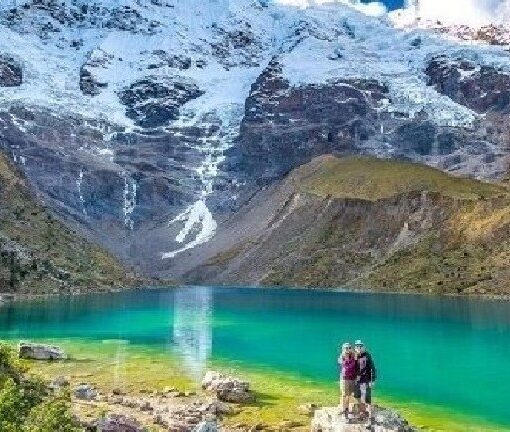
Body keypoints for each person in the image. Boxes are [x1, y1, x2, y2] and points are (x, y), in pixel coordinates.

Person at [354, 340, 377, 429]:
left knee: (367, 399)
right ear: (355, 347)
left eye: (360, 346)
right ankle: (362, 413)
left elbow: (373, 368)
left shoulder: (367, 355)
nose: (358, 348)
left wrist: (373, 380)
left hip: (365, 381)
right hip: (357, 382)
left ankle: (370, 418)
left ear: (363, 347)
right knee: (358, 397)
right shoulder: (355, 356)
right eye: (357, 346)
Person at [338, 342, 356, 421]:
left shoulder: (353, 357)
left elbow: (356, 365)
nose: (347, 349)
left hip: (352, 378)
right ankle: (343, 409)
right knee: (344, 394)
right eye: (346, 348)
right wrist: (345, 356)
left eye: (349, 348)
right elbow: (344, 365)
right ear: (343, 349)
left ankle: (347, 408)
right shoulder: (341, 357)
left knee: (349, 395)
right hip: (344, 378)